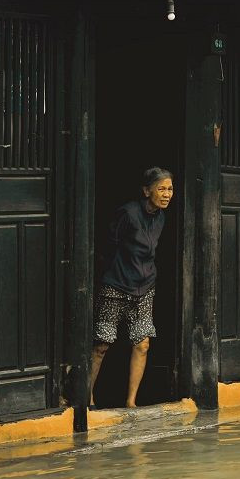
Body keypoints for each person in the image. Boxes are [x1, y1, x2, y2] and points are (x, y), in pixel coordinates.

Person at [90, 167, 174, 408]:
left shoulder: (160, 217)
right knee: (101, 344)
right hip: (115, 285)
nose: (167, 194)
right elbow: (108, 246)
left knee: (143, 344)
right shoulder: (128, 213)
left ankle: (131, 402)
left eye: (170, 189)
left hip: (145, 287)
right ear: (147, 191)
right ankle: (87, 398)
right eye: (161, 189)